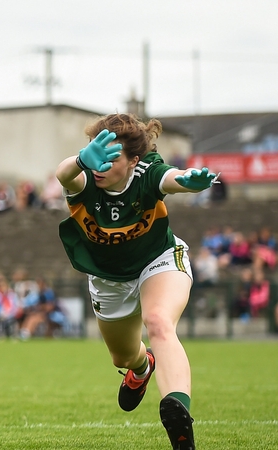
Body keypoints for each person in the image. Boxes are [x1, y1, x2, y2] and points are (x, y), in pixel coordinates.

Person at [56, 112, 219, 450]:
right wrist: (80, 160)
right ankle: (142, 368)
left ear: (133, 161)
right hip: (108, 279)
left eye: (111, 156)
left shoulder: (146, 174)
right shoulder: (84, 178)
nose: (100, 164)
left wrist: (188, 179)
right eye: (95, 153)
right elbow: (64, 174)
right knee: (124, 357)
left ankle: (179, 420)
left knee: (158, 321)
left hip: (157, 260)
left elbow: (169, 177)